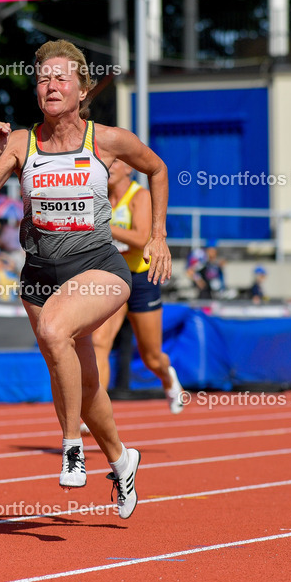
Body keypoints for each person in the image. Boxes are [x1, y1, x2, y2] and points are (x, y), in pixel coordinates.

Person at [0, 39, 172, 519]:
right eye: (42, 78)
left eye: (60, 77)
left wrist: (158, 235)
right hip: (40, 272)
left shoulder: (107, 140)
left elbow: (157, 169)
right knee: (80, 378)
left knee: (54, 332)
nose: (50, 85)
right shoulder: (20, 142)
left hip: (98, 264)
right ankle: (122, 459)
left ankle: (70, 447)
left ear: (81, 89)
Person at [91, 159, 183, 415]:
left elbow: (143, 238)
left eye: (113, 162)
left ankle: (167, 376)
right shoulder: (98, 198)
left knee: (151, 357)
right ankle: (95, 411)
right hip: (112, 279)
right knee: (99, 341)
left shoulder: (139, 197)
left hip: (140, 279)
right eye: (104, 163)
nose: (107, 166)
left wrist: (105, 228)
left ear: (128, 168)